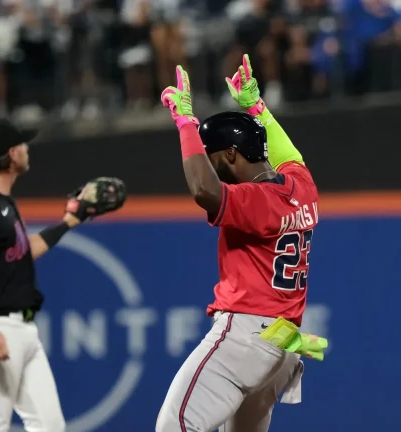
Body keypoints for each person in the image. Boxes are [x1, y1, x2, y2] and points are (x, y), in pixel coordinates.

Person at [155, 55, 328, 432]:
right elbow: (290, 156)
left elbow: (204, 189)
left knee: (175, 425)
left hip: (246, 336)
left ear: (231, 154)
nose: (204, 162)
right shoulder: (303, 187)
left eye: (210, 155)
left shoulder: (256, 199)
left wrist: (186, 123)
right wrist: (256, 107)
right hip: (283, 344)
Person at [0, 119, 126, 432]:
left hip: (22, 330)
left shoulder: (2, 202)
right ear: (11, 153)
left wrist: (70, 221)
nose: (27, 149)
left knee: (50, 426)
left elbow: (23, 251)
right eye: (22, 144)